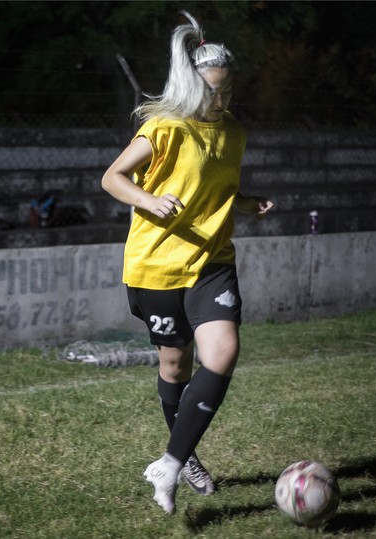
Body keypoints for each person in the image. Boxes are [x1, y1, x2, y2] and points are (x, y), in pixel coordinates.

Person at [101, 11, 273, 514]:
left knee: (221, 350)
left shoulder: (235, 133)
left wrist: (244, 202)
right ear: (192, 86)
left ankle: (170, 463)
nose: (221, 100)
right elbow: (112, 178)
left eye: (227, 90)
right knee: (175, 365)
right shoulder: (165, 128)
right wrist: (148, 200)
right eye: (212, 91)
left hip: (212, 260)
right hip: (156, 267)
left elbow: (214, 189)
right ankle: (186, 454)